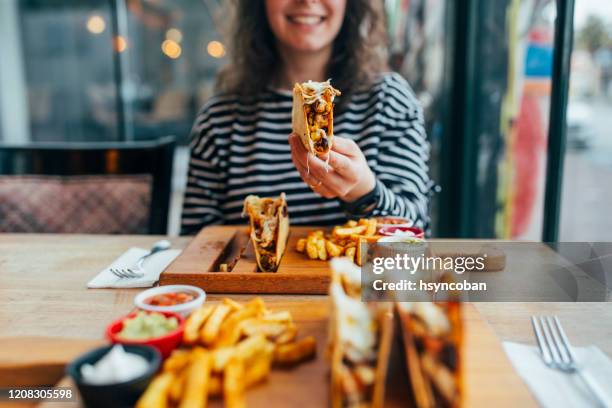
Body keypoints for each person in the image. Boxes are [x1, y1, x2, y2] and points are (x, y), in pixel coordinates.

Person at [181, 0, 432, 235]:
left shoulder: (389, 101)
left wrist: (363, 192)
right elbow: (196, 245)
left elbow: (416, 231)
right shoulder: (219, 120)